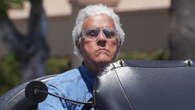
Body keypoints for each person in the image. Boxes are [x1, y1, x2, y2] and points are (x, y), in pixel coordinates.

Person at [38, 4, 125, 110]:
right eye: (92, 34)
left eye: (109, 34)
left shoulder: (136, 85)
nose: (102, 38)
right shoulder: (57, 91)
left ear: (119, 43)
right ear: (79, 44)